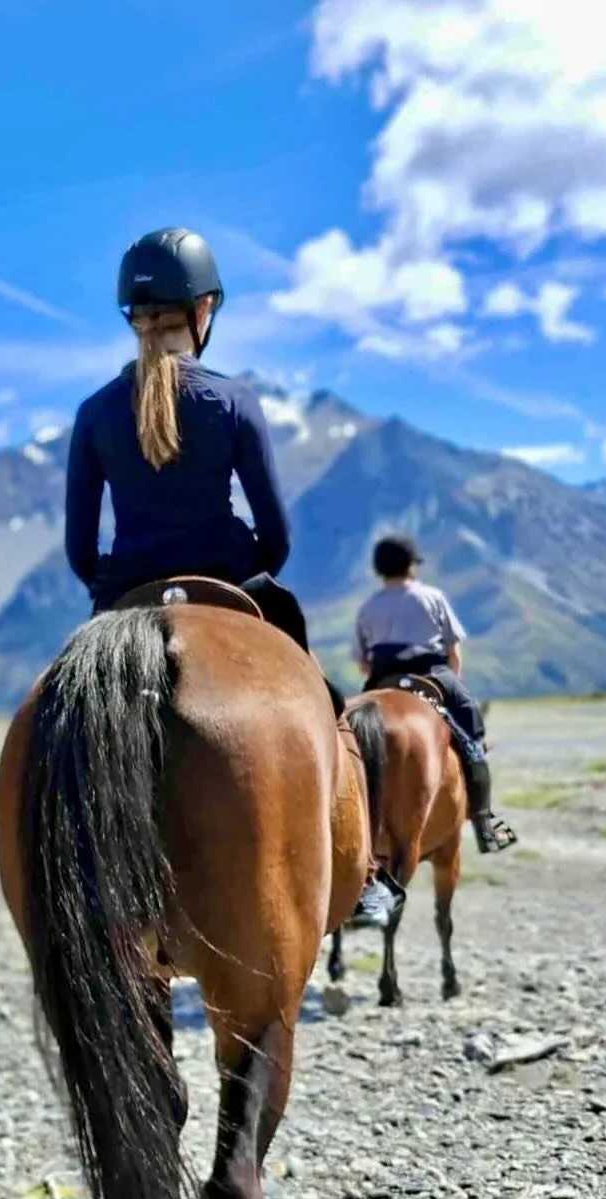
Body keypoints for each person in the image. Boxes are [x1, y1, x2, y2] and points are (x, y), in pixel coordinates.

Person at [63, 224, 404, 931]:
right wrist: (244, 559)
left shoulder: (94, 413)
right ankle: (364, 874)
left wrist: (116, 582)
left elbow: (77, 547)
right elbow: (276, 537)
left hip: (122, 598)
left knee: (67, 736)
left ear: (133, 316)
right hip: (228, 579)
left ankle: (73, 877)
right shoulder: (234, 401)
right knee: (328, 708)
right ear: (205, 308)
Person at [355, 534, 516, 853]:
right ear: (412, 566)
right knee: (470, 733)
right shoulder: (431, 596)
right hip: (431, 672)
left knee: (351, 733)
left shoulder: (368, 606)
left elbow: (363, 663)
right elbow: (453, 652)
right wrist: (450, 685)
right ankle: (484, 822)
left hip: (382, 677)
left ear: (379, 569)